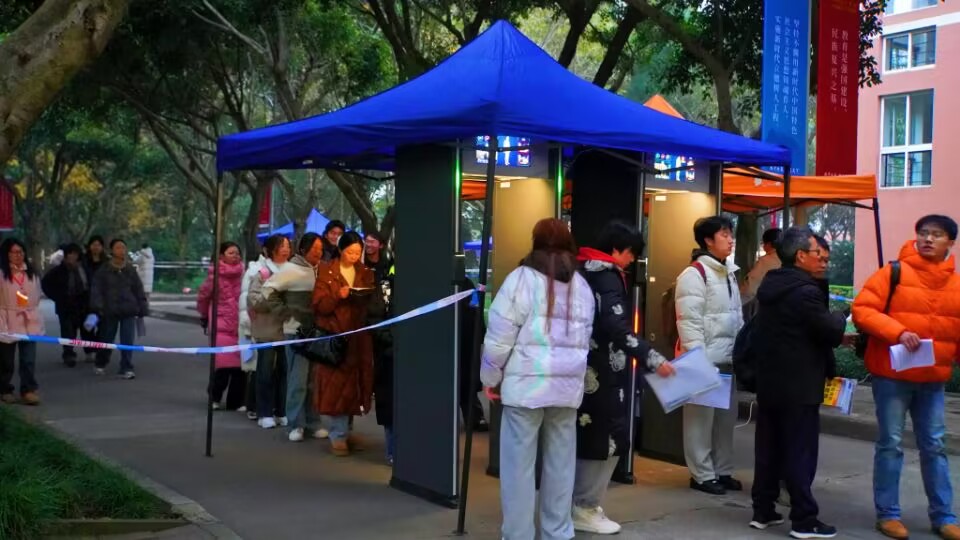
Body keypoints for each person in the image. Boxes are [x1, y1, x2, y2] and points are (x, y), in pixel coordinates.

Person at [481, 218, 596, 540]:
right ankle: (557, 532)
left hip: (525, 389)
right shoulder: (582, 286)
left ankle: (518, 534)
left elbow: (498, 339)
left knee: (518, 468)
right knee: (561, 465)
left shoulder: (520, 280)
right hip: (567, 389)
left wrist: (490, 377)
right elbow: (585, 339)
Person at [853, 215, 960, 540]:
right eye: (923, 233)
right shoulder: (894, 272)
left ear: (950, 242)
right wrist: (898, 332)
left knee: (935, 446)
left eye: (936, 234)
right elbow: (862, 309)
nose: (928, 239)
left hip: (933, 379)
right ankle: (888, 515)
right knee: (891, 444)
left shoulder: (956, 283)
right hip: (892, 375)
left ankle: (944, 517)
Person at [573, 221, 675, 534]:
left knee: (591, 437)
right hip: (603, 370)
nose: (632, 260)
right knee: (607, 439)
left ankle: (579, 503)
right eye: (631, 253)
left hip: (586, 368)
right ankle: (583, 506)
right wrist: (652, 357)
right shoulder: (606, 277)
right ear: (616, 249)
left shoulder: (582, 270)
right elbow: (617, 328)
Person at [750, 227, 846, 539]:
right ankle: (804, 520)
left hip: (771, 380)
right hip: (800, 383)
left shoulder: (772, 284)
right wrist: (841, 315)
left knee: (769, 448)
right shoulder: (805, 292)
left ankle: (763, 510)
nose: (823, 262)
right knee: (799, 451)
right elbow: (830, 331)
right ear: (801, 255)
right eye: (819, 255)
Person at [675, 215, 744, 495]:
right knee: (699, 423)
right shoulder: (694, 275)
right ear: (708, 240)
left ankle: (722, 470)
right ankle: (702, 475)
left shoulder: (728, 272)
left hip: (727, 360)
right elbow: (689, 323)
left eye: (730, 234)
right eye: (724, 234)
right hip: (705, 361)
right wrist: (699, 362)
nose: (730, 239)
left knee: (725, 422)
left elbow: (736, 317)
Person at [312, 231, 375, 456]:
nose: (354, 256)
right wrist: (338, 295)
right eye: (350, 252)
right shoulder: (326, 271)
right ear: (341, 250)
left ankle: (345, 432)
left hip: (358, 336)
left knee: (355, 384)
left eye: (358, 253)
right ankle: (337, 434)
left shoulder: (365, 272)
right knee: (335, 385)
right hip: (334, 335)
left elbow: (372, 302)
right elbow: (319, 305)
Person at [262, 232, 326, 442]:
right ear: (303, 250)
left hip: (317, 332)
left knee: (314, 381)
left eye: (321, 249)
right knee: (298, 380)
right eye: (314, 249)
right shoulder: (290, 269)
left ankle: (313, 422)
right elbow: (267, 290)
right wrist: (285, 313)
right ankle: (295, 424)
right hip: (296, 332)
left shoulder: (322, 269)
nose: (318, 253)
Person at [245, 235, 292, 428]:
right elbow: (253, 300)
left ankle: (281, 411)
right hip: (267, 330)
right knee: (264, 372)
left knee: (285, 372)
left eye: (288, 246)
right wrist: (273, 297)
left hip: (288, 329)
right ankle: (264, 412)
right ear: (272, 249)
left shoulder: (293, 271)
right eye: (282, 246)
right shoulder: (262, 273)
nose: (286, 249)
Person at [89, 239, 149, 379]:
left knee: (127, 341)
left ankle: (126, 367)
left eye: (123, 247)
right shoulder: (104, 270)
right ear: (112, 251)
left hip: (128, 309)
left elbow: (138, 289)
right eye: (118, 247)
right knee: (107, 339)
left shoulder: (130, 269)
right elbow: (96, 289)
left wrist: (142, 306)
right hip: (109, 310)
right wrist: (98, 306)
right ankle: (101, 362)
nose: (121, 250)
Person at [197, 242, 246, 411]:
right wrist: (204, 316)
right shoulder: (214, 277)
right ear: (221, 256)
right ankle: (215, 397)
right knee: (223, 365)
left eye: (237, 253)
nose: (235, 256)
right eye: (231, 253)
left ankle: (236, 401)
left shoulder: (244, 275)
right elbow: (203, 298)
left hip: (240, 324)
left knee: (240, 367)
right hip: (221, 325)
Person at [0, 238, 44, 405]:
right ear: (6, 254)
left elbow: (36, 295)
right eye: (14, 252)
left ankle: (28, 390)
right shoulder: (1, 274)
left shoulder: (31, 273)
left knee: (28, 359)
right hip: (6, 320)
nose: (18, 255)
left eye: (20, 252)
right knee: (6, 360)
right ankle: (5, 389)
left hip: (29, 321)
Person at [41, 243, 89, 367]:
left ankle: (89, 351)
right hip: (65, 305)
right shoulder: (59, 270)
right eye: (70, 254)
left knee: (84, 328)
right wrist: (57, 297)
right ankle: (68, 354)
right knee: (67, 331)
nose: (72, 257)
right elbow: (45, 283)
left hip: (82, 304)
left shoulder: (83, 268)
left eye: (75, 254)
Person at [370, 265, 395, 463]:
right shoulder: (385, 287)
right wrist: (390, 340)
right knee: (390, 405)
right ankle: (393, 451)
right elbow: (374, 318)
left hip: (415, 356)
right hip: (388, 355)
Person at [458, 275, 489, 432]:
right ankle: (474, 417)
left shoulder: (465, 284)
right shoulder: (466, 284)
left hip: (466, 337)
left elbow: (475, 309)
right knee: (466, 381)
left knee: (466, 381)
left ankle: (474, 417)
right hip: (466, 338)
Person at [741, 228, 782, 303]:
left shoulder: (765, 261)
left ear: (768, 244)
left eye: (764, 243)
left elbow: (750, 289)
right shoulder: (788, 259)